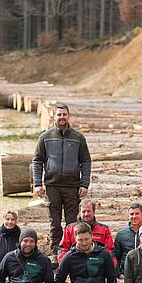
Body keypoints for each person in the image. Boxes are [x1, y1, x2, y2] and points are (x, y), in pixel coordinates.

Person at [32, 103, 91, 265]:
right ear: (54, 117)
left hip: (72, 186)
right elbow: (37, 161)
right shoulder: (45, 137)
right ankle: (56, 252)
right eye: (59, 115)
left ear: (68, 116)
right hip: (52, 186)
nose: (62, 117)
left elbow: (85, 162)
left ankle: (72, 251)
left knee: (72, 222)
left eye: (64, 114)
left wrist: (84, 184)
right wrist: (38, 184)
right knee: (55, 221)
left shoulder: (78, 138)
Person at [57, 199, 115, 265]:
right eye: (83, 211)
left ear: (94, 212)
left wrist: (110, 268)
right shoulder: (70, 229)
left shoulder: (104, 229)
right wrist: (64, 266)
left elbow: (110, 251)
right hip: (75, 265)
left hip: (98, 266)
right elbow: (63, 249)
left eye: (89, 211)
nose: (86, 214)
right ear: (79, 212)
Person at [114, 202, 142, 279]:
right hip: (126, 275)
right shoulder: (121, 234)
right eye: (131, 214)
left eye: (137, 213)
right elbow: (116, 255)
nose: (134, 216)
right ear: (128, 216)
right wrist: (119, 273)